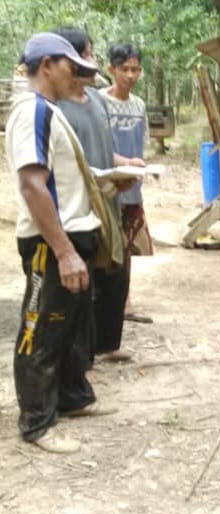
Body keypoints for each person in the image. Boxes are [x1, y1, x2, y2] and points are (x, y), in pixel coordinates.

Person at [6, 32, 117, 454]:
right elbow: (34, 186)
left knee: (72, 325)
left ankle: (71, 398)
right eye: (74, 67)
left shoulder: (52, 111)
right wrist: (64, 251)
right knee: (41, 328)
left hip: (73, 235)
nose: (81, 77)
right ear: (47, 64)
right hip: (50, 243)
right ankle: (36, 421)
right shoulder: (31, 112)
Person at [53, 26, 144, 364]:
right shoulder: (56, 106)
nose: (91, 60)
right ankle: (80, 356)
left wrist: (126, 164)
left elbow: (104, 149)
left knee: (115, 271)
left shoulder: (94, 100)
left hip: (108, 199)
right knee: (84, 281)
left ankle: (107, 343)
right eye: (87, 53)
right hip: (77, 205)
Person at [100, 42, 153, 324]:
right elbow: (95, 147)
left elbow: (141, 146)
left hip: (133, 188)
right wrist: (125, 162)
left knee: (128, 245)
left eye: (135, 70)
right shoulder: (99, 103)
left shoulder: (139, 105)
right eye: (125, 69)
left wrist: (142, 166)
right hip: (107, 187)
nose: (130, 75)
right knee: (109, 246)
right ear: (112, 69)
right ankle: (107, 301)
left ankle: (125, 298)